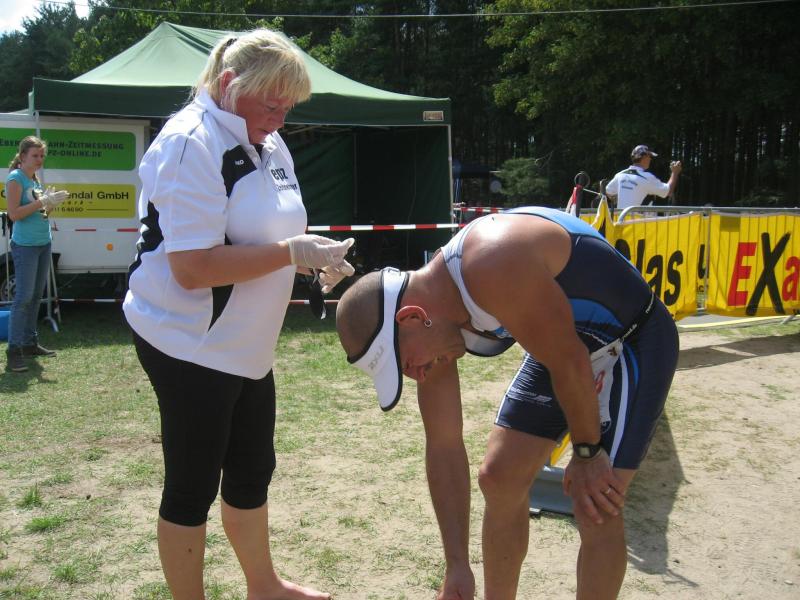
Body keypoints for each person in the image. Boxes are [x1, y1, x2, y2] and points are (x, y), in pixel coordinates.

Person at [335, 206, 679, 600]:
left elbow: (570, 361)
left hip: (632, 340)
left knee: (595, 503)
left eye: (406, 365)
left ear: (412, 317)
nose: (417, 376)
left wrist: (587, 454)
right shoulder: (434, 326)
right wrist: (457, 565)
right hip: (564, 348)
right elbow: (444, 446)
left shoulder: (492, 261)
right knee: (499, 478)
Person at [122, 30, 354, 600]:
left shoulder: (268, 142)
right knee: (192, 484)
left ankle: (264, 586)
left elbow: (273, 227)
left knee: (253, 469)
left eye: (288, 107)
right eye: (272, 104)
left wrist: (313, 258)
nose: (280, 119)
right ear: (229, 84)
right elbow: (192, 268)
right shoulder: (190, 142)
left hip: (247, 341)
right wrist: (291, 253)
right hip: (190, 341)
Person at [4, 136, 68, 373]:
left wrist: (49, 206)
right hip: (26, 246)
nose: (40, 159)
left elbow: (40, 215)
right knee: (23, 298)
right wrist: (42, 201)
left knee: (35, 296)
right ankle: (13, 352)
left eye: (42, 155)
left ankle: (29, 343)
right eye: (35, 155)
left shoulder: (34, 179)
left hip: (43, 243)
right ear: (22, 157)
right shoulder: (15, 178)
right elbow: (13, 214)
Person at [605, 144, 682, 210]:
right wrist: (675, 172)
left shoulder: (620, 175)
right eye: (650, 156)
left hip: (620, 219)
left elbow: (608, 192)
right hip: (636, 221)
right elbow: (668, 191)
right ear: (644, 157)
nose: (650, 159)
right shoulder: (647, 177)